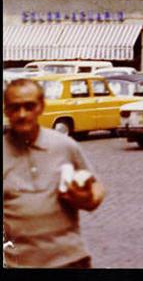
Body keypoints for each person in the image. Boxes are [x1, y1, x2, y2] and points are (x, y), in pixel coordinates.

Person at [3, 78, 106, 268]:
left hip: (70, 260)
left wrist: (88, 198)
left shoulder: (64, 146)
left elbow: (96, 187)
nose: (22, 114)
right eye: (14, 108)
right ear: (6, 110)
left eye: (29, 106)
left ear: (41, 107)